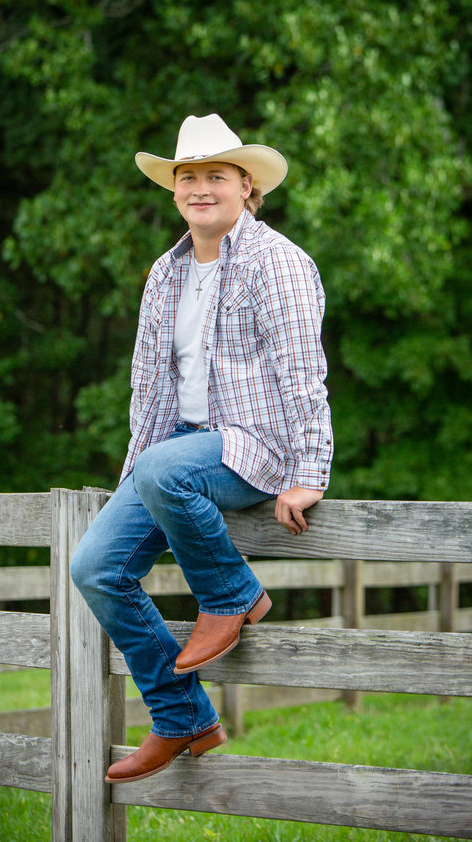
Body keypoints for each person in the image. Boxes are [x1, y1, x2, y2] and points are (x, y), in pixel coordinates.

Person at [70, 113, 333, 784]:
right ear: (174, 189)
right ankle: (181, 713)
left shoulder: (279, 262)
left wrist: (310, 472)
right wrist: (135, 479)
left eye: (216, 175)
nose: (200, 187)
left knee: (166, 469)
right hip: (174, 458)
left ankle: (232, 594)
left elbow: (303, 371)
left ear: (248, 186)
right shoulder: (165, 273)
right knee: (95, 565)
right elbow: (149, 389)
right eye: (188, 176)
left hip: (255, 448)